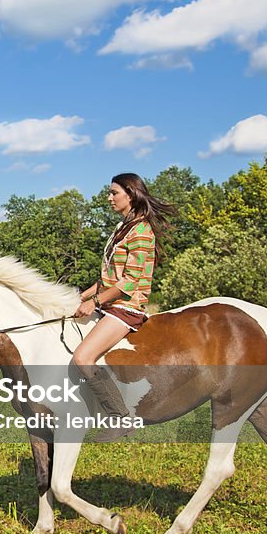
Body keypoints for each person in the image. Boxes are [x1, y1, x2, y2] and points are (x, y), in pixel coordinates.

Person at [72, 173, 175, 441]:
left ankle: (121, 417)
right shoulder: (121, 228)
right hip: (110, 302)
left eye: (114, 193)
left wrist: (94, 302)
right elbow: (107, 279)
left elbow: (129, 282)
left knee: (83, 358)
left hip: (127, 307)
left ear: (130, 194)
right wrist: (79, 298)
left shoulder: (141, 231)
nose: (109, 198)